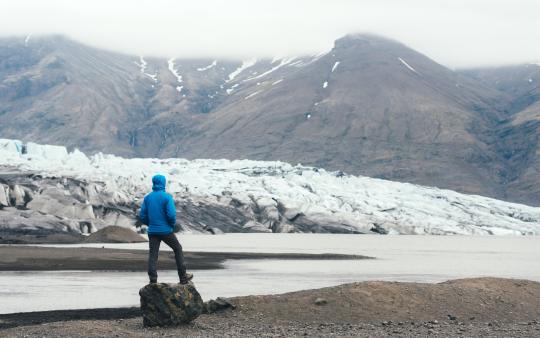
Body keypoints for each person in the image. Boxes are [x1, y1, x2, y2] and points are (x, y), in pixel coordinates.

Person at [139, 174, 193, 284]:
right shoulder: (167, 197)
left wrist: (151, 224)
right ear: (163, 183)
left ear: (154, 183)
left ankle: (153, 279)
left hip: (153, 231)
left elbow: (142, 216)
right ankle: (183, 277)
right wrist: (170, 225)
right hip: (165, 231)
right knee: (177, 249)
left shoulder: (148, 198)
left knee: (153, 254)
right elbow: (171, 215)